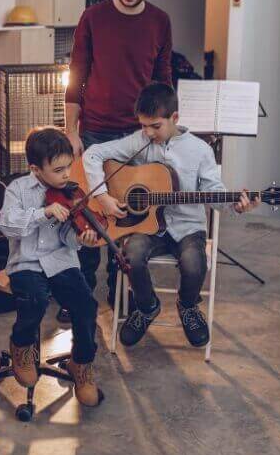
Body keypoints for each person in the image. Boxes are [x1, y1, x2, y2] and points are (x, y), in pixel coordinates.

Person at [83, 83, 259, 349]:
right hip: (150, 227)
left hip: (188, 227)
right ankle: (146, 306)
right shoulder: (139, 140)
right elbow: (93, 153)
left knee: (194, 263)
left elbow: (214, 192)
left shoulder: (201, 150)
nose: (148, 132)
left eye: (155, 126)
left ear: (174, 118)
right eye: (143, 126)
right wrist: (103, 197)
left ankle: (188, 306)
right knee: (130, 256)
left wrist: (236, 205)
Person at [65, 0, 173, 298]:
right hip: (94, 129)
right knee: (89, 213)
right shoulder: (93, 17)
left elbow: (164, 79)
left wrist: (162, 128)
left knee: (127, 213)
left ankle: (118, 286)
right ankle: (81, 292)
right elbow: (76, 75)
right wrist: (71, 131)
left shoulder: (160, 21)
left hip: (137, 134)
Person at [0, 127, 104, 407]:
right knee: (35, 298)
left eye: (69, 167)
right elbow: (7, 225)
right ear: (36, 168)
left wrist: (82, 236)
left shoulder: (71, 192)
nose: (67, 175)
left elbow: (69, 239)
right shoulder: (18, 189)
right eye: (58, 170)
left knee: (85, 305)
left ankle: (80, 364)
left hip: (61, 260)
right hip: (27, 261)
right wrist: (42, 213)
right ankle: (21, 345)